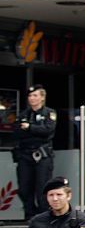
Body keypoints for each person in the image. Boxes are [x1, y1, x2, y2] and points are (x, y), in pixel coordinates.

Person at [13, 84, 57, 219]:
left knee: (42, 187)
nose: (32, 98)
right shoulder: (23, 114)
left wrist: (30, 127)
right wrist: (35, 130)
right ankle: (30, 214)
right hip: (25, 155)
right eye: (30, 95)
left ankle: (44, 216)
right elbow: (17, 133)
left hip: (42, 155)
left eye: (35, 95)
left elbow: (48, 131)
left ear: (42, 98)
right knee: (24, 187)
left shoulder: (49, 113)